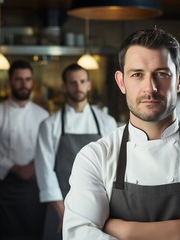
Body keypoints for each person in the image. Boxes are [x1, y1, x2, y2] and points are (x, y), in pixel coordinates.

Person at [63, 28, 180, 239]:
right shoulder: (94, 157)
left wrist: (124, 230)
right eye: (137, 74)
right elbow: (78, 234)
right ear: (121, 82)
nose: (149, 88)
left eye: (161, 74)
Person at [34, 63, 117, 240]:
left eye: (82, 81)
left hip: (98, 204)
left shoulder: (107, 122)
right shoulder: (49, 125)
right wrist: (62, 211)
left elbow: (113, 166)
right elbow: (44, 171)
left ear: (89, 85)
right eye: (72, 82)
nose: (78, 86)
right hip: (60, 204)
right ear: (64, 86)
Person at [0, 60, 49, 240]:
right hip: (6, 185)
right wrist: (16, 168)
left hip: (34, 186)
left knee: (34, 230)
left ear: (32, 81)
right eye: (19, 79)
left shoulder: (42, 115)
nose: (24, 84)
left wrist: (32, 167)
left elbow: (48, 148)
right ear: (10, 81)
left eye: (27, 79)